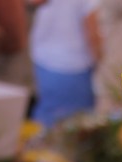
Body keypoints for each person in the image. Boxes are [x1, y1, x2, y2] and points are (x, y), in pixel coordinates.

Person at [28, 0, 100, 128]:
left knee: (45, 118)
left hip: (43, 61)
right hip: (73, 66)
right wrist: (99, 58)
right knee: (76, 127)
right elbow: (92, 33)